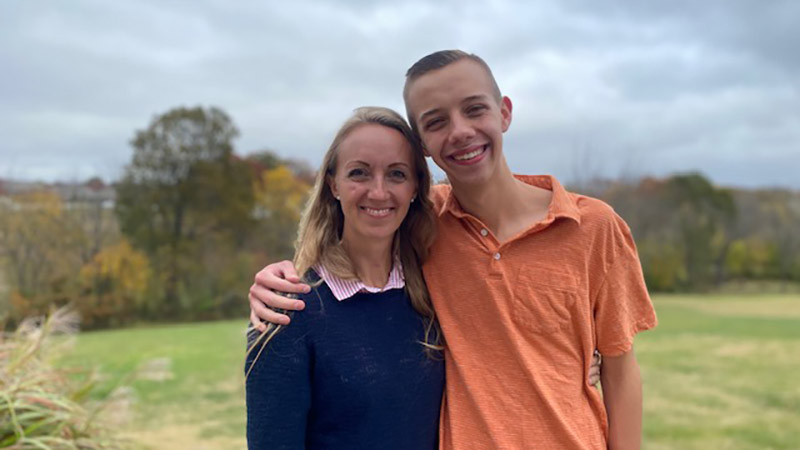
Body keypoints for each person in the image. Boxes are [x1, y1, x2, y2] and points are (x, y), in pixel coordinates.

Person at [250, 50, 656, 450]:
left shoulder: (594, 227)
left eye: (474, 109)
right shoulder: (425, 226)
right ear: (423, 143)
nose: (460, 131)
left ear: (505, 113)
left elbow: (620, 374)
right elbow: (360, 232)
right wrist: (276, 280)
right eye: (436, 121)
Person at [245, 107, 445, 450]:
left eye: (396, 174)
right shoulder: (288, 312)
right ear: (333, 184)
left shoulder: (433, 296)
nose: (379, 192)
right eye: (359, 173)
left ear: (415, 188)